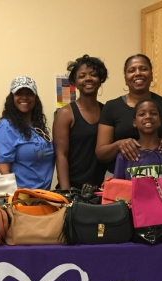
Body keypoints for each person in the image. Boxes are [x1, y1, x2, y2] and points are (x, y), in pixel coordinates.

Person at [96, 54, 162, 172]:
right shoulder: (111, 107)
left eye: (143, 69)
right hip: (121, 177)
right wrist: (119, 145)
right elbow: (101, 154)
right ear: (125, 78)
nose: (138, 73)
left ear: (151, 75)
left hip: (161, 175)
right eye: (132, 70)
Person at [54, 55, 108, 189]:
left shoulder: (107, 111)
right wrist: (67, 193)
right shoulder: (66, 114)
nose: (88, 79)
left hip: (99, 190)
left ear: (100, 79)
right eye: (82, 76)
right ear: (75, 82)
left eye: (93, 74)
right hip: (73, 189)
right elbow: (61, 155)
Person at [0, 76, 54, 189]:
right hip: (22, 200)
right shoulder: (6, 127)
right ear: (12, 97)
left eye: (29, 93)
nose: (24, 97)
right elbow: (3, 171)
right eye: (19, 93)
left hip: (44, 197)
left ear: (35, 97)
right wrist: (18, 198)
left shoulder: (37, 126)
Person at [113, 98, 162, 180]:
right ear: (134, 123)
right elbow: (117, 187)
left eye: (153, 113)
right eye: (142, 114)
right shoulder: (126, 153)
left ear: (160, 121)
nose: (148, 116)